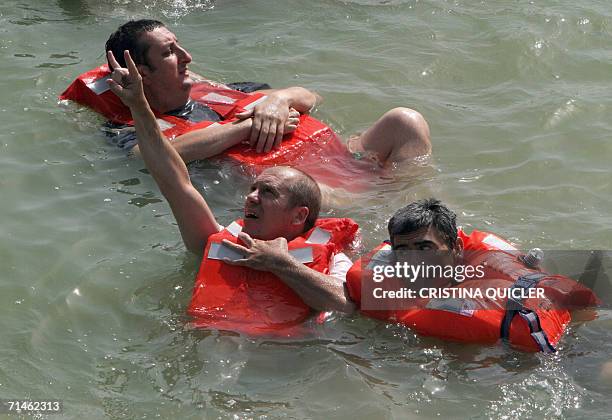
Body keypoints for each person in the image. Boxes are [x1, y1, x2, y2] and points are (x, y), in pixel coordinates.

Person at [106, 50, 355, 333]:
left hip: (287, 365)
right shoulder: (213, 243)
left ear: (299, 216)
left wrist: (281, 264)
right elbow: (173, 181)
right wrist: (139, 106)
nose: (250, 197)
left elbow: (347, 303)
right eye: (253, 188)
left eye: (268, 192)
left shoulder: (333, 257)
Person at [104, 19, 431, 166]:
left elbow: (312, 97)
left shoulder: (221, 92)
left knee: (405, 121)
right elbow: (148, 158)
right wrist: (248, 125)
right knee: (299, 187)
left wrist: (278, 100)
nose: (187, 56)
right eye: (170, 52)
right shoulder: (133, 128)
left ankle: (417, 214)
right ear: (141, 73)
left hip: (345, 156)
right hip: (308, 185)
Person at [345, 198, 599, 352]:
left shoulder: (431, 305)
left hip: (567, 346)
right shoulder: (484, 255)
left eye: (425, 248)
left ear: (457, 248)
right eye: (403, 251)